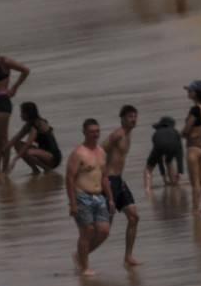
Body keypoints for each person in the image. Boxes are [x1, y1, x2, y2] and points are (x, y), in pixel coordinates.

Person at [65, 118, 114, 275]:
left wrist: (111, 198)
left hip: (99, 196)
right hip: (82, 196)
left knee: (104, 231)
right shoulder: (78, 153)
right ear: (84, 132)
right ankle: (85, 267)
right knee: (87, 231)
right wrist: (72, 203)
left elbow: (105, 177)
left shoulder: (101, 152)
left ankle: (80, 256)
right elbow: (69, 178)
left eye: (97, 131)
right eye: (92, 132)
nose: (95, 134)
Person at [0, 44, 31, 176]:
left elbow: (25, 70)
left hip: (3, 101)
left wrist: (14, 87)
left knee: (3, 138)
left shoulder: (5, 62)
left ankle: (5, 170)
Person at [103, 105, 143, 267]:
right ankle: (81, 255)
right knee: (104, 229)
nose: (133, 119)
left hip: (119, 181)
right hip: (110, 181)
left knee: (134, 217)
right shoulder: (117, 135)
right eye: (129, 116)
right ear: (122, 118)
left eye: (135, 116)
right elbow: (99, 150)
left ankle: (128, 257)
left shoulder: (128, 134)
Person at [183, 81, 201, 215]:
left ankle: (195, 210)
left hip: (193, 146)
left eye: (189, 90)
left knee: (194, 182)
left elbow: (187, 129)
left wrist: (180, 133)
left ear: (195, 93)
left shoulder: (194, 110)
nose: (188, 92)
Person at [9, 101, 63, 172]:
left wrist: (15, 159)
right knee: (17, 144)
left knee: (28, 152)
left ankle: (46, 169)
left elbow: (28, 144)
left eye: (22, 112)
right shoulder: (29, 125)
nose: (20, 115)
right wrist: (1, 152)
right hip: (43, 154)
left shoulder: (37, 124)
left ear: (28, 114)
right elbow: (15, 139)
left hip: (53, 157)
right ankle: (35, 170)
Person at [144, 114, 185, 191]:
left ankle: (147, 189)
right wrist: (180, 171)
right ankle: (174, 182)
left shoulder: (156, 134)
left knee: (148, 168)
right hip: (174, 146)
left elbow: (158, 158)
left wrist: (163, 176)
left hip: (159, 145)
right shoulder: (175, 132)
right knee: (168, 161)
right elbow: (180, 153)